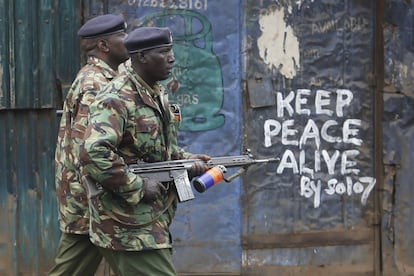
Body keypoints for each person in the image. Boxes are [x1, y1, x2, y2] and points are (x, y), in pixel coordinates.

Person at [79, 26, 210, 275]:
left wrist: (185, 160)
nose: (171, 58)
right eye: (163, 52)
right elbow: (93, 152)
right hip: (127, 223)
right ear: (141, 57)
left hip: (149, 219)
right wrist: (137, 185)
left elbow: (158, 149)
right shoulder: (117, 97)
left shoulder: (155, 92)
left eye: (171, 51)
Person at [49, 14, 129, 276]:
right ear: (104, 46)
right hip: (92, 196)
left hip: (94, 195)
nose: (128, 42)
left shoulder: (105, 78)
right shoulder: (95, 83)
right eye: (122, 36)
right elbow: (90, 147)